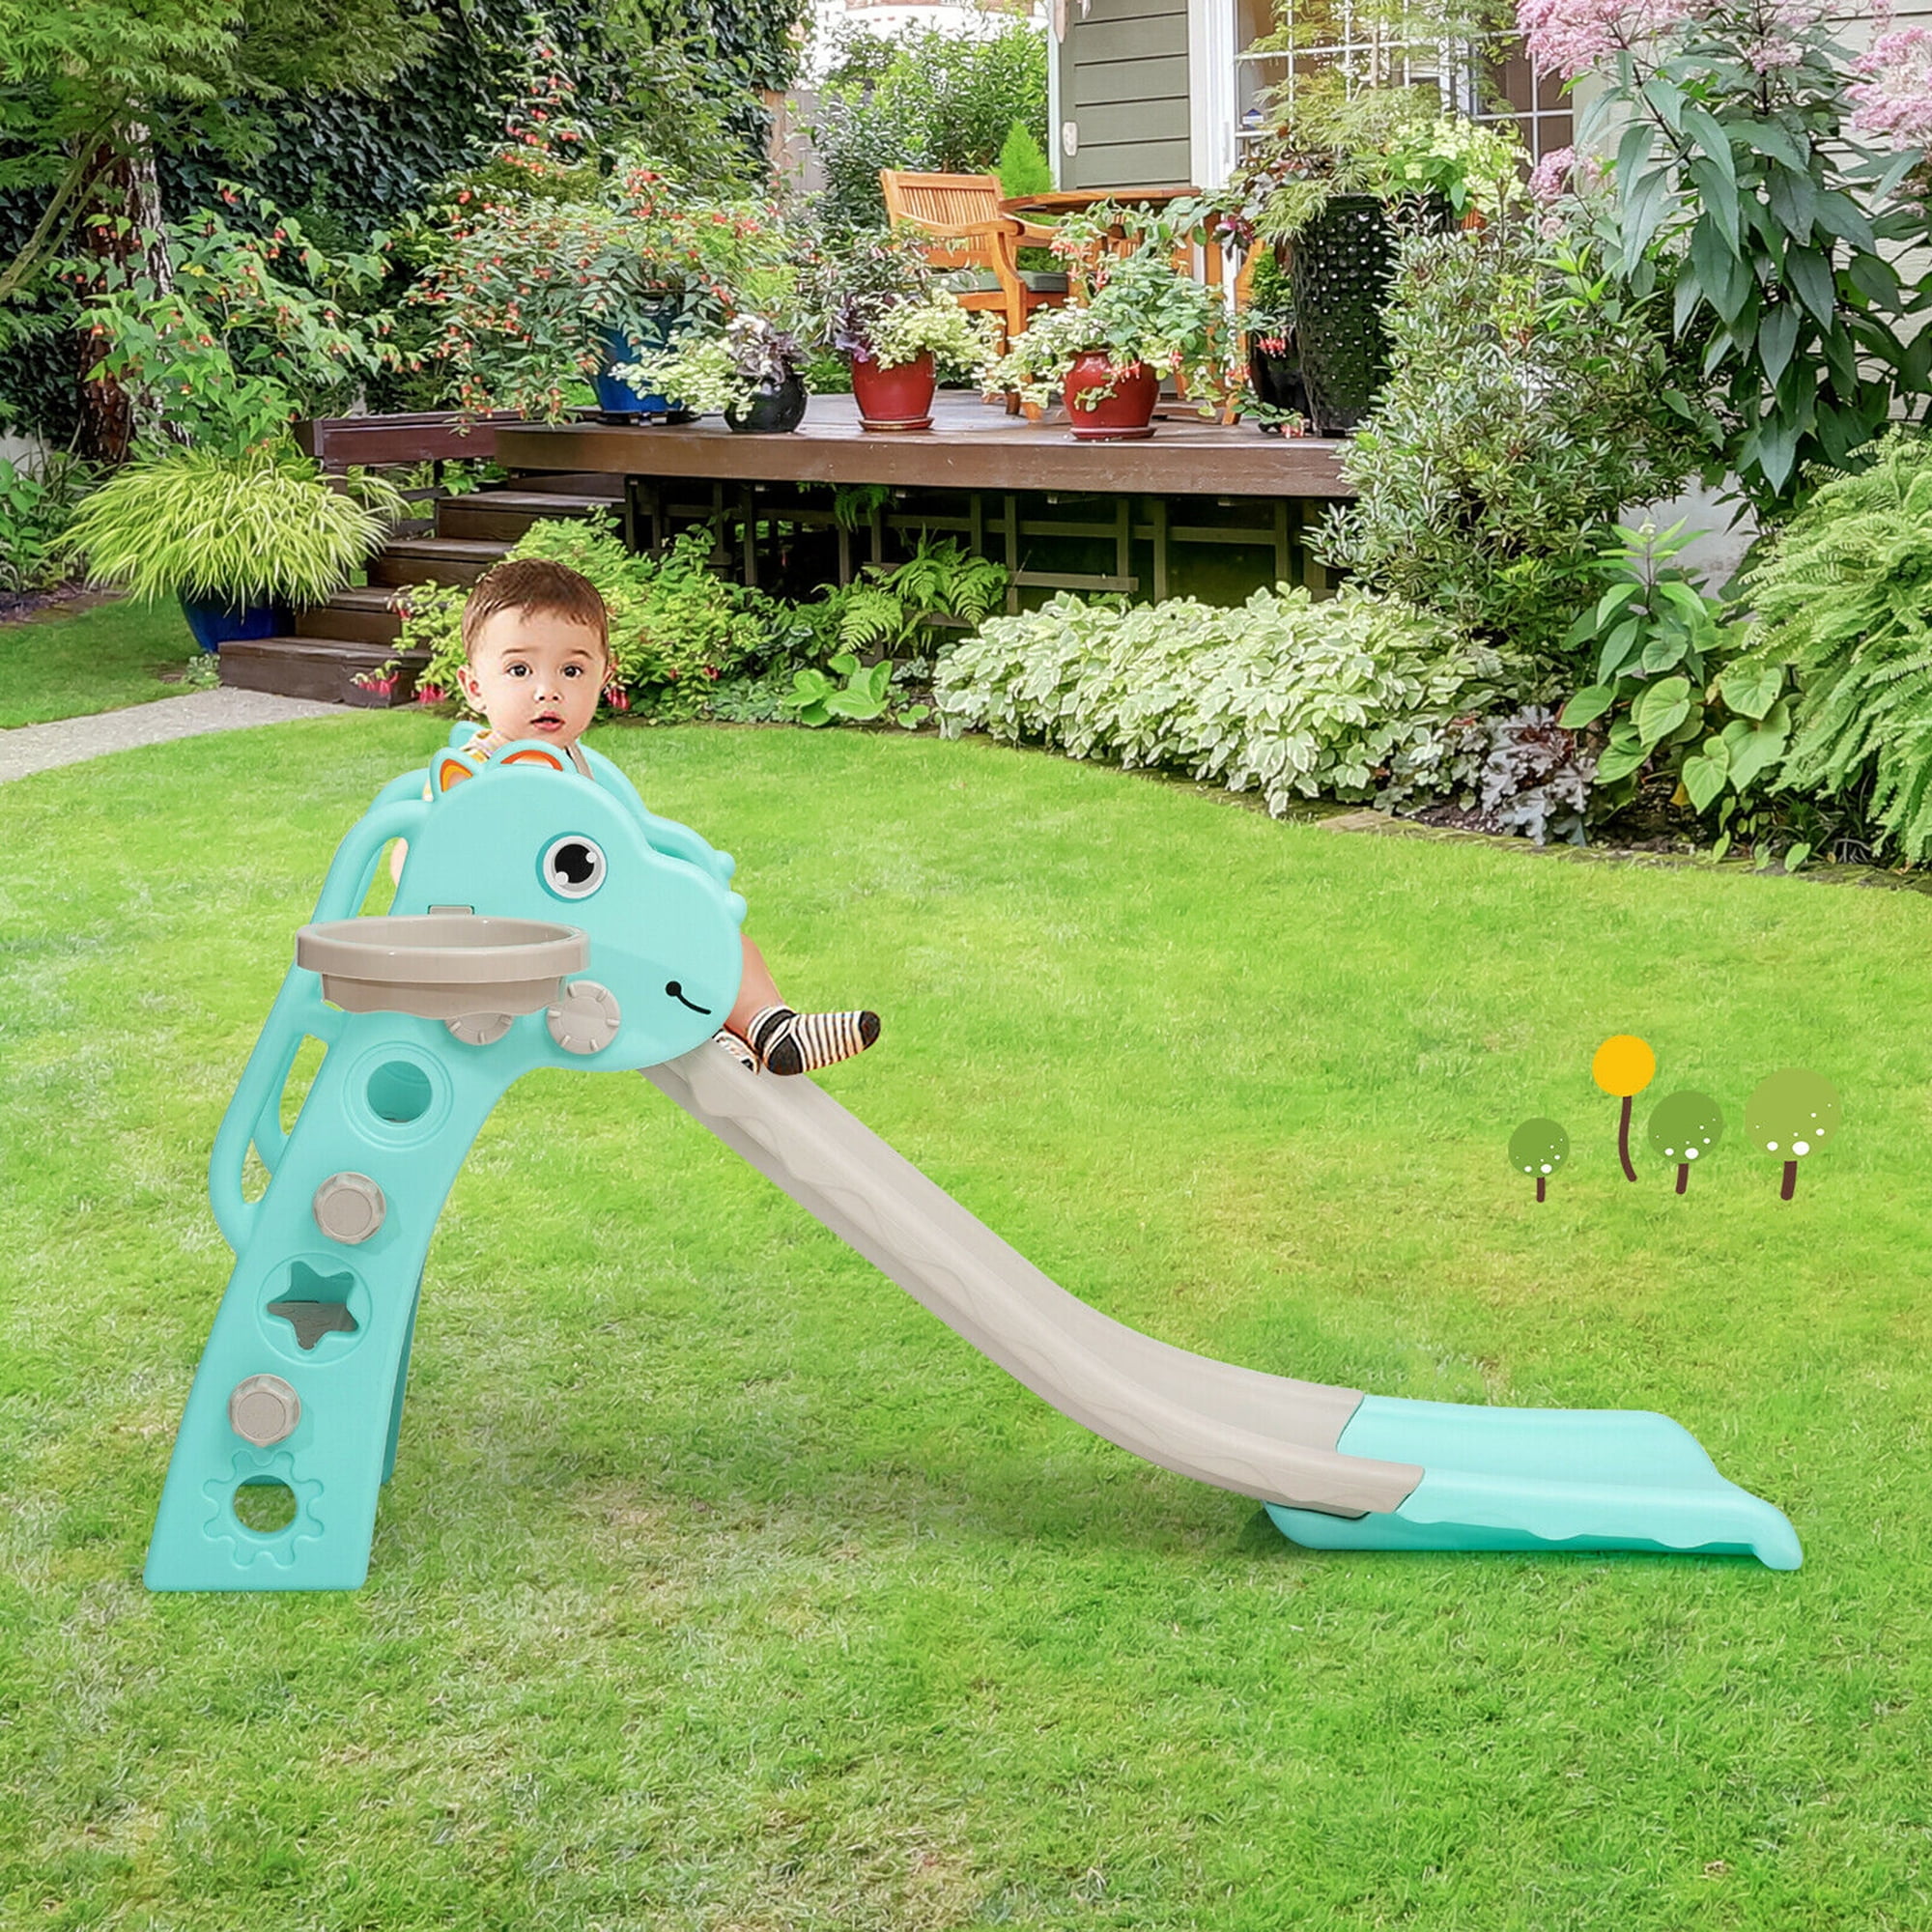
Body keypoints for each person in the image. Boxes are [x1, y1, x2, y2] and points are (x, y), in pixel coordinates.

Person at [389, 556, 880, 1077]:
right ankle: (718, 1031)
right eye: (519, 670)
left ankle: (768, 1025)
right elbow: (415, 857)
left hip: (592, 922)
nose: (546, 690)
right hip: (530, 946)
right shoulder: (476, 771)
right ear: (474, 687)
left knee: (711, 930)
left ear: (604, 678)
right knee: (673, 941)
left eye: (572, 670)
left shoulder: (573, 761)